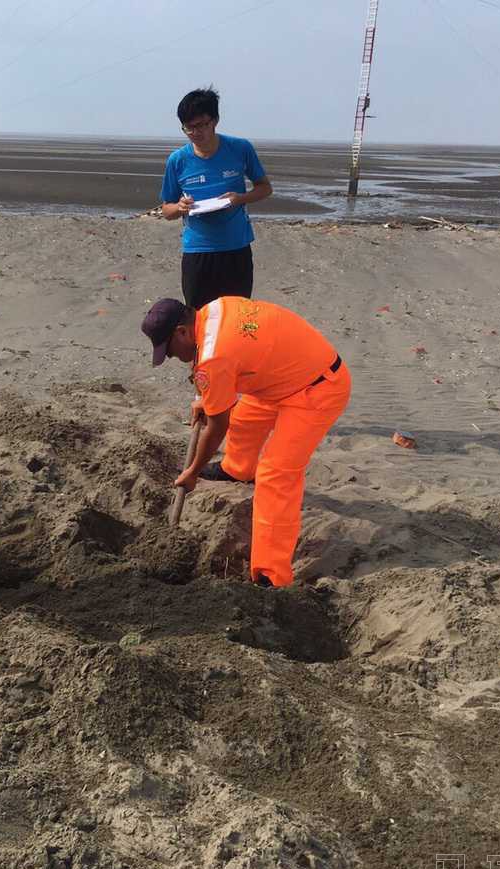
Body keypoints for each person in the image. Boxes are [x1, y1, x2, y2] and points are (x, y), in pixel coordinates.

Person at [141, 296, 350, 587]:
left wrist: (193, 472)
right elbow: (233, 360)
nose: (173, 357)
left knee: (275, 475)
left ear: (182, 332)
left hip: (316, 389)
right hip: (281, 375)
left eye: (171, 350)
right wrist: (208, 396)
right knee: (243, 420)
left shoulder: (213, 358)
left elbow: (216, 427)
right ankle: (237, 469)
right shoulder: (214, 309)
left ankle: (271, 575)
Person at [159, 87, 272, 309]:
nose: (196, 133)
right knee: (199, 321)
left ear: (215, 120)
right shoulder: (178, 160)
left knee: (238, 319)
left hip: (236, 249)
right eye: (189, 128)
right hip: (198, 252)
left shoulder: (240, 148)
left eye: (202, 125)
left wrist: (239, 199)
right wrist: (180, 207)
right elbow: (166, 211)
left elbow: (265, 188)